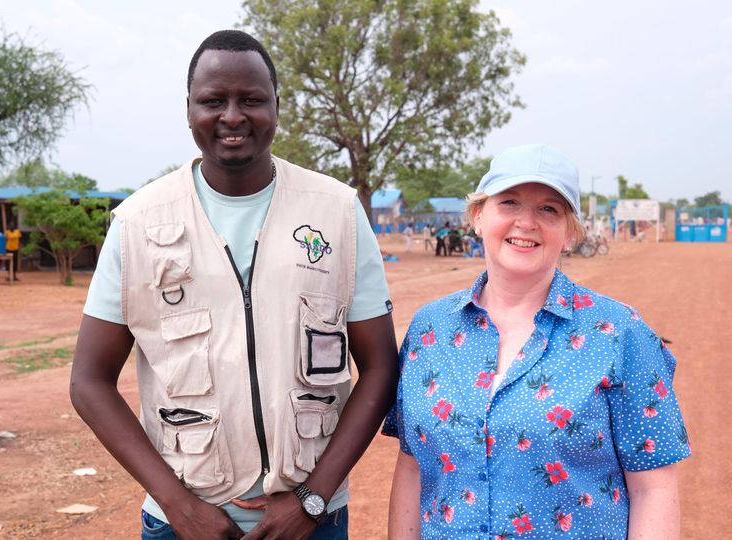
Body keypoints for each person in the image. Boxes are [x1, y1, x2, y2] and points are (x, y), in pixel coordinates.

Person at [70, 30, 398, 540]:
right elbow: (89, 381)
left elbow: (379, 367)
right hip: (184, 525)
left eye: (251, 100)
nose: (232, 116)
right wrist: (178, 506)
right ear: (188, 110)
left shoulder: (335, 212)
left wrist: (312, 499)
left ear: (276, 106)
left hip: (314, 524)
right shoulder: (138, 224)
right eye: (213, 101)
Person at [385, 144, 690, 539]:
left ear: (569, 233)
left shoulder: (620, 334)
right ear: (478, 217)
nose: (526, 222)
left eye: (549, 209)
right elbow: (411, 467)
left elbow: (654, 488)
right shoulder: (429, 330)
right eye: (509, 202)